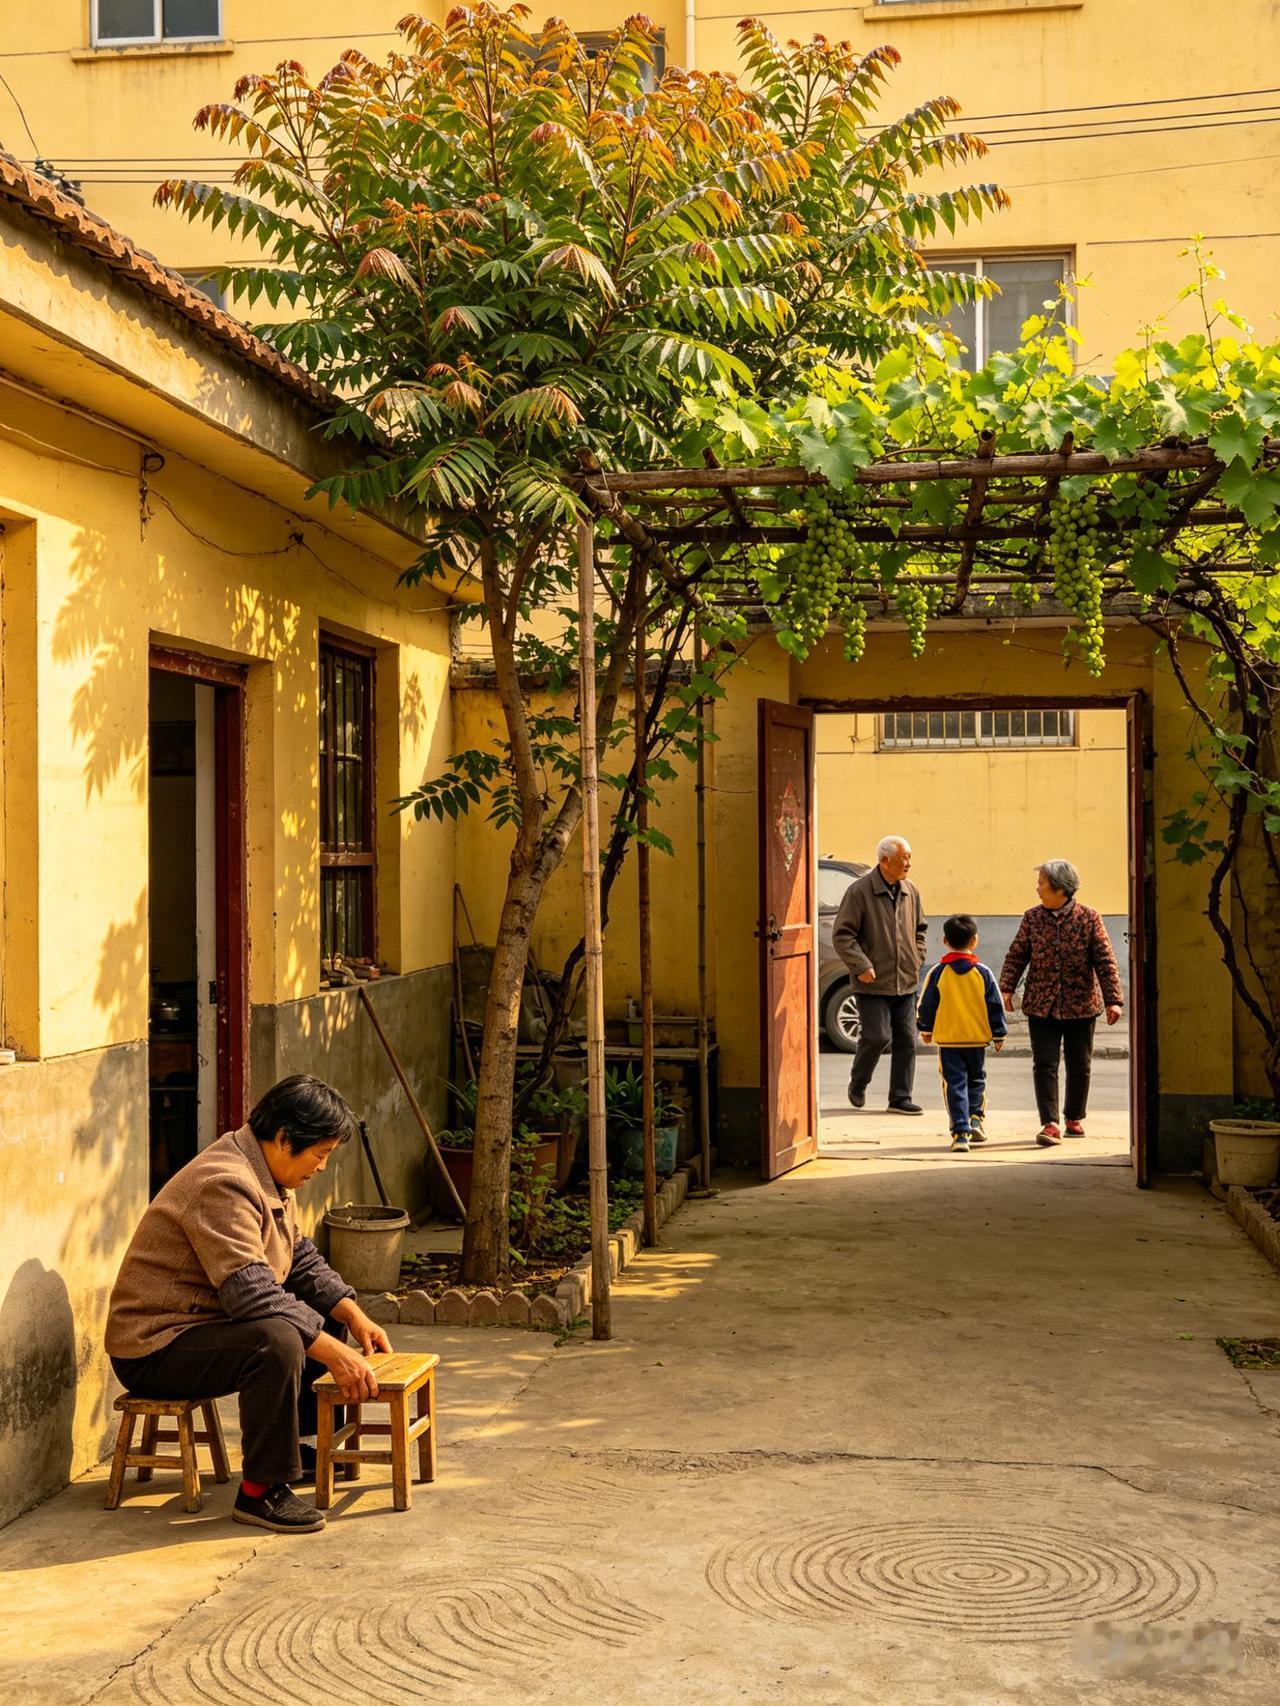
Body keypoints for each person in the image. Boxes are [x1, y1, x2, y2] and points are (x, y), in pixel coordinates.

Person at [106, 1075, 393, 1534]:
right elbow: (250, 1294)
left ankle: (296, 1449)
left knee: (317, 1312)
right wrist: (333, 1351)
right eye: (320, 1154)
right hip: (154, 1346)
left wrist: (352, 1314)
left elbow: (298, 1256)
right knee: (276, 1339)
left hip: (202, 1328)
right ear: (283, 1139)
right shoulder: (224, 1182)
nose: (321, 1167)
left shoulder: (268, 1175)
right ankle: (261, 1492)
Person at [998, 860, 1124, 1148]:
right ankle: (1050, 1122)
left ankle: (1074, 1117)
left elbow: (1105, 961)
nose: (1037, 889)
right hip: (1042, 1004)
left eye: (1041, 883)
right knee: (1045, 1064)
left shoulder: (1089, 918)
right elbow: (1017, 954)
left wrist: (1113, 1000)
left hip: (1081, 1004)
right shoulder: (1032, 918)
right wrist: (1006, 987)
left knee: (1080, 1064)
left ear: (1059, 888)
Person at [833, 835, 928, 1114]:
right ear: (884, 860)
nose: (909, 862)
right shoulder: (859, 892)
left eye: (909, 856)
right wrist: (861, 965)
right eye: (904, 857)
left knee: (907, 1041)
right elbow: (843, 935)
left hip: (906, 981)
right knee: (876, 1037)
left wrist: (916, 958)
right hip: (871, 982)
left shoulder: (911, 891)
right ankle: (858, 1083)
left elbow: (920, 931)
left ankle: (900, 1097)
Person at [917, 915, 1008, 1154]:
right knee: (977, 1080)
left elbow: (927, 1004)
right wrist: (999, 1034)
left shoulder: (938, 973)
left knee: (954, 1084)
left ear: (945, 941)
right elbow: (994, 1005)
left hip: (949, 1040)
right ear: (975, 941)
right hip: (977, 1039)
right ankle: (976, 1118)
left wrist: (925, 1029)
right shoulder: (983, 973)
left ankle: (960, 1132)